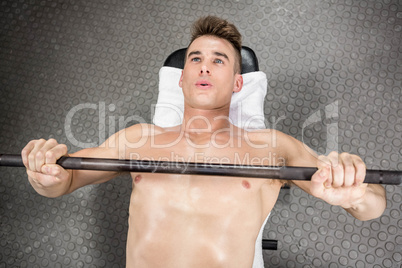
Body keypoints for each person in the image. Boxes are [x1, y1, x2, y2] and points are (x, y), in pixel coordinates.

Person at [21, 16, 386, 268]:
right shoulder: (139, 139)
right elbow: (65, 181)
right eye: (195, 58)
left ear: (238, 83)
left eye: (219, 60)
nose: (204, 66)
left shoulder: (272, 147)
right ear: (181, 80)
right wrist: (45, 177)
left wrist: (356, 194)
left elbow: (373, 206)